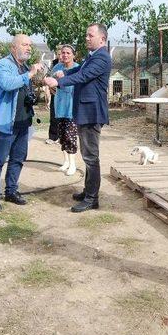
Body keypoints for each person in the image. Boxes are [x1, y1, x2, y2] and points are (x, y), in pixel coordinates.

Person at [44, 23, 112, 213]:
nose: (87, 38)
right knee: (87, 155)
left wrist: (58, 80)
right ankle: (88, 192)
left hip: (92, 113)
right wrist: (65, 72)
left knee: (91, 157)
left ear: (102, 39)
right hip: (85, 111)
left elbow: (84, 76)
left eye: (90, 35)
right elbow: (80, 70)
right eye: (86, 35)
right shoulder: (93, 56)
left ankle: (92, 199)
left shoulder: (102, 58)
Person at [0, 34, 43, 212]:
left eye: (30, 46)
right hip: (5, 123)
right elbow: (8, 84)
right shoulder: (3, 65)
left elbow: (25, 90)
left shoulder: (23, 66)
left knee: (18, 159)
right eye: (24, 45)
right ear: (13, 47)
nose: (28, 48)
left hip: (23, 121)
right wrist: (30, 74)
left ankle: (11, 191)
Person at [51, 44, 80, 176]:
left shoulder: (78, 68)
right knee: (62, 135)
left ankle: (73, 164)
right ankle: (66, 161)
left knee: (71, 136)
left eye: (68, 53)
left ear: (73, 55)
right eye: (63, 53)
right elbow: (51, 84)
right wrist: (50, 87)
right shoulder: (57, 67)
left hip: (72, 106)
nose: (65, 55)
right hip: (59, 105)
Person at [46, 45, 62, 145]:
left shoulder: (71, 65)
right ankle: (53, 136)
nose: (60, 56)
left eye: (62, 53)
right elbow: (49, 77)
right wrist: (50, 89)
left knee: (64, 117)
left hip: (65, 95)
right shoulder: (54, 64)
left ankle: (62, 137)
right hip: (55, 93)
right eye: (58, 54)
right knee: (54, 115)